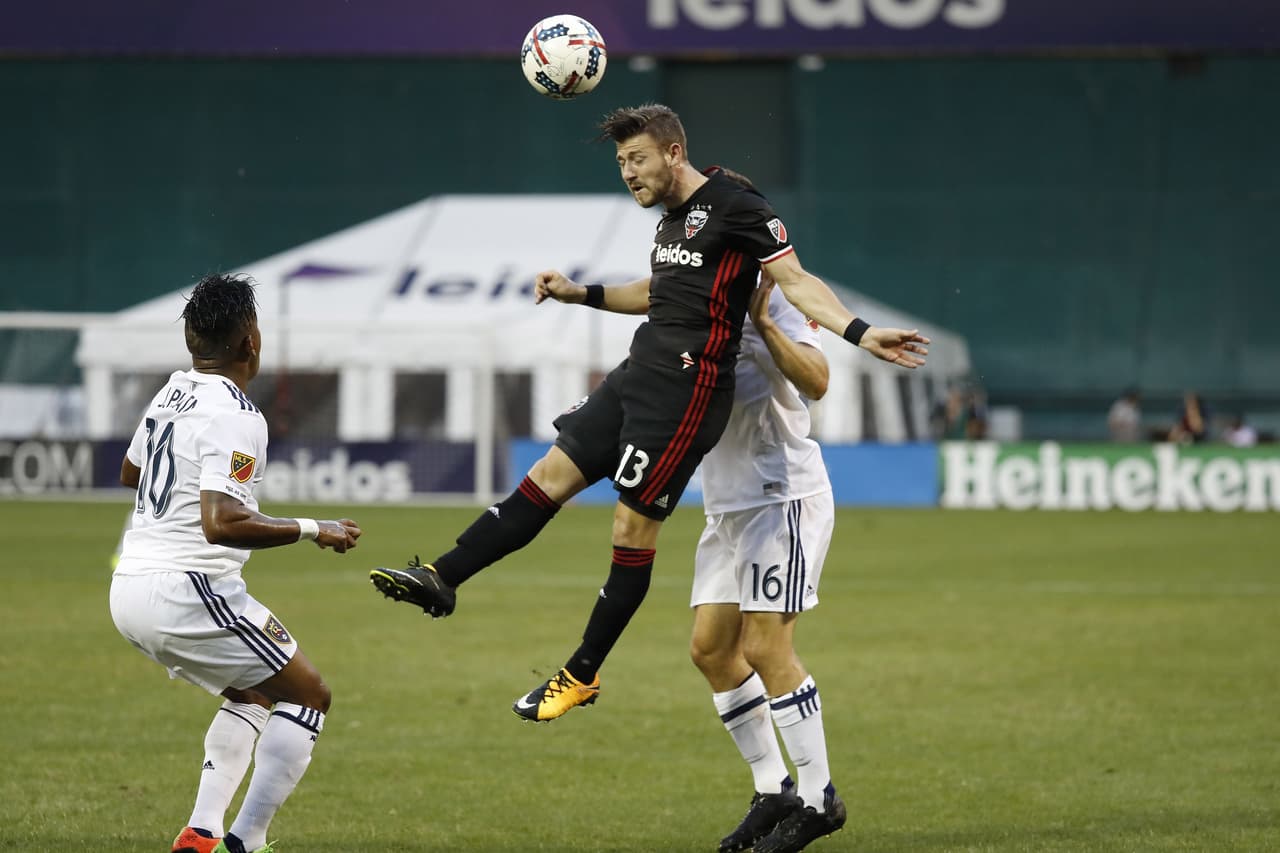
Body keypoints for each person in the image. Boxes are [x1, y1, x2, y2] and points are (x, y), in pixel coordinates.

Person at [370, 103, 928, 725]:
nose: (628, 173)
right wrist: (580, 293)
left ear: (672, 153)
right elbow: (657, 291)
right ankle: (442, 578)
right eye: (619, 163)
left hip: (686, 397)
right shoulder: (670, 224)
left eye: (636, 159)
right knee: (549, 476)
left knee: (629, 533)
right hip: (639, 376)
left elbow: (795, 279)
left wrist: (860, 331)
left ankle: (581, 672)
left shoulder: (740, 207)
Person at [109, 273, 362, 853]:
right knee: (310, 695)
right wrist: (312, 529)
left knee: (251, 693)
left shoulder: (174, 390)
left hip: (129, 588)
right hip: (187, 588)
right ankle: (246, 842)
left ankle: (201, 832)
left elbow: (130, 471)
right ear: (251, 340)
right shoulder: (238, 414)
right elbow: (220, 523)